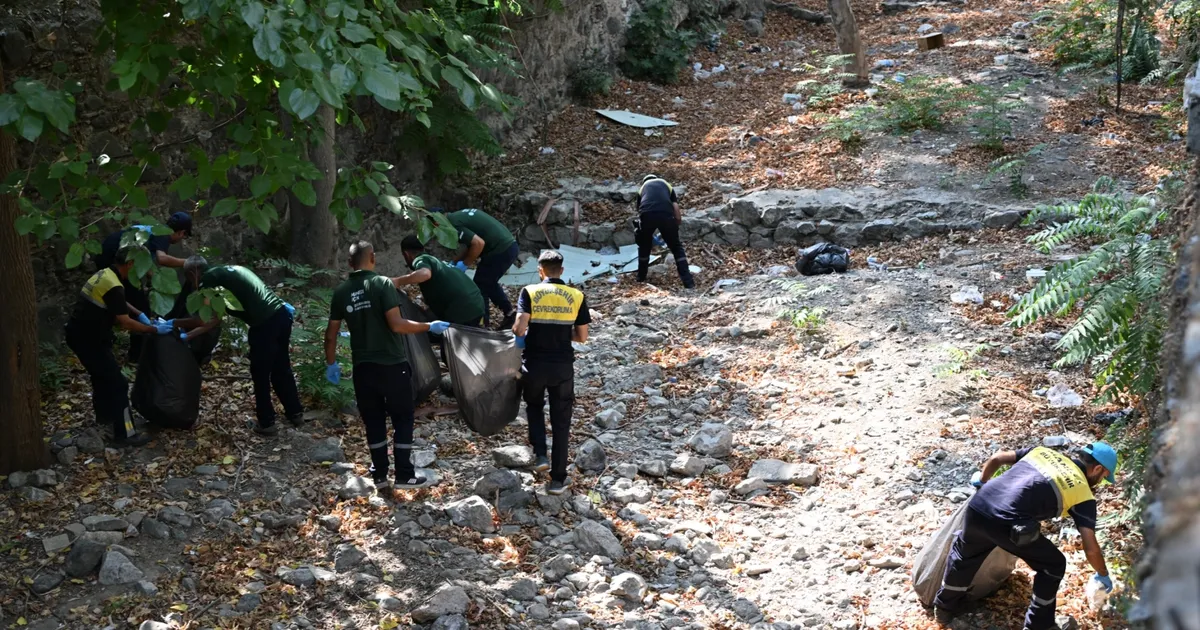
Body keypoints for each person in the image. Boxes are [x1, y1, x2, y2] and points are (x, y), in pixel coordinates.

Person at [934, 442, 1119, 630]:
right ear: (1097, 468)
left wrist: (982, 481)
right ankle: (1038, 625)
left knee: (966, 556)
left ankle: (944, 607)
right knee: (1053, 565)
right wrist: (1102, 574)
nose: (1101, 481)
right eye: (1104, 476)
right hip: (1008, 523)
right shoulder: (1083, 495)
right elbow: (1090, 547)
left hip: (978, 505)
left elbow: (997, 459)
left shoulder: (1043, 452)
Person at [324, 241, 451, 491]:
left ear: (349, 263)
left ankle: (380, 475)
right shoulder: (382, 283)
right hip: (393, 366)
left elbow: (330, 334)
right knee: (403, 418)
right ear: (373, 257)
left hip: (363, 368)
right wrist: (429, 326)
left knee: (373, 421)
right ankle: (404, 474)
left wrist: (331, 363)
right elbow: (397, 325)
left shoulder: (341, 292)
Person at [175, 257, 304, 436]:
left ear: (192, 274)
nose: (192, 285)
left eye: (189, 280)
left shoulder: (208, 280)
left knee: (260, 373)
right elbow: (217, 317)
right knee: (281, 367)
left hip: (264, 324)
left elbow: (206, 318)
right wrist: (188, 335)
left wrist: (175, 325)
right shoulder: (224, 271)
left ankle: (266, 423)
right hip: (281, 316)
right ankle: (295, 413)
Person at [65, 245, 175, 447]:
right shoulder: (114, 285)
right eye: (139, 264)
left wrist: (140, 314)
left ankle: (105, 419)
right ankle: (125, 434)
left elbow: (118, 302)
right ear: (130, 263)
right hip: (88, 340)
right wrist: (152, 329)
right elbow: (124, 321)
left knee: (101, 377)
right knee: (118, 383)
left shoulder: (106, 274)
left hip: (83, 335)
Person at [511, 250, 590, 495]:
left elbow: (520, 328)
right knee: (561, 422)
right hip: (563, 367)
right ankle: (557, 479)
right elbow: (582, 337)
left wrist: (522, 330)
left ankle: (540, 455)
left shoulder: (530, 292)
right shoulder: (576, 295)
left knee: (534, 405)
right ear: (562, 271)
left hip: (534, 364)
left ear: (540, 270)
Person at [95, 212, 194, 362]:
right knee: (139, 306)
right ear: (181, 232)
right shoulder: (162, 234)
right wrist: (188, 262)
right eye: (184, 236)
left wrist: (152, 284)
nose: (181, 239)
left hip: (108, 255)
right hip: (115, 260)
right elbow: (162, 259)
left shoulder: (152, 230)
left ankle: (107, 340)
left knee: (116, 301)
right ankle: (137, 356)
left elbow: (148, 266)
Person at [443, 207, 519, 329]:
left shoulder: (452, 224)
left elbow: (478, 244)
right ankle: (509, 313)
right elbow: (471, 245)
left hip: (501, 249)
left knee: (481, 285)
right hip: (509, 246)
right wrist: (454, 262)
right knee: (488, 282)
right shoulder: (458, 216)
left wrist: (465, 265)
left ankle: (483, 324)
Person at [392, 235, 486, 327]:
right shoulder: (436, 261)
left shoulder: (420, 259)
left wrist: (398, 281)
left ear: (406, 254)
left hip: (463, 310)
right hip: (478, 304)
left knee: (429, 334)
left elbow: (425, 274)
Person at [634, 174, 694, 289]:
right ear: (656, 178)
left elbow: (640, 210)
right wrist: (675, 224)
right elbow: (675, 207)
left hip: (647, 214)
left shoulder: (642, 188)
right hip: (666, 214)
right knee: (676, 248)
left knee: (644, 246)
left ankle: (640, 278)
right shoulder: (667, 185)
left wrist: (644, 232)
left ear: (645, 181)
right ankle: (688, 282)